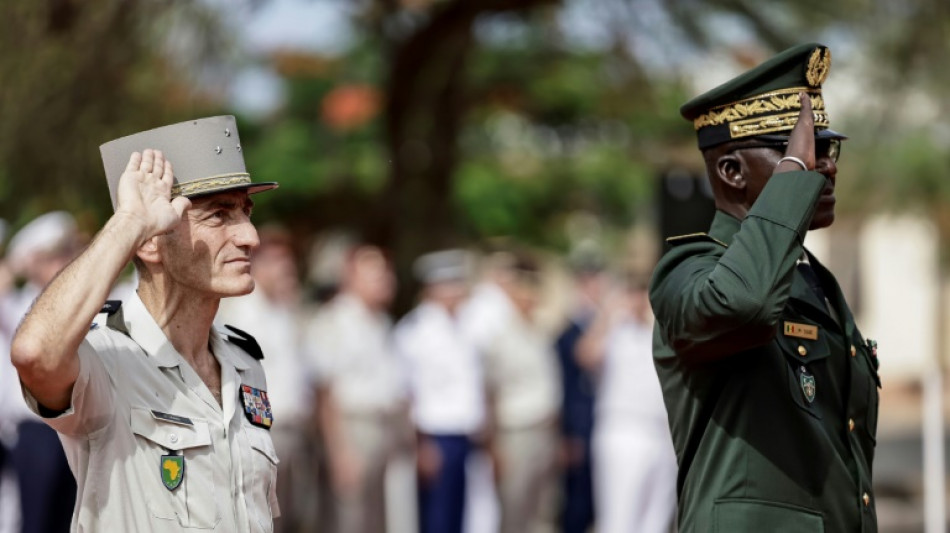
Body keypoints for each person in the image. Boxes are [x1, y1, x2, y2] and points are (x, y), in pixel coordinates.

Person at [9, 116, 282, 532]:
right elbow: (34, 353)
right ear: (152, 242)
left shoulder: (244, 361)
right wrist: (129, 223)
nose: (250, 236)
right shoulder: (107, 358)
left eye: (245, 212)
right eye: (219, 216)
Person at [650, 43, 881, 531]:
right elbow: (746, 304)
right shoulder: (687, 270)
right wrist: (793, 177)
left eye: (827, 148)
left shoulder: (815, 278)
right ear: (731, 172)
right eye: (799, 149)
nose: (827, 165)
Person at [217, 224, 321, 532]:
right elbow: (241, 378)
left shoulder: (287, 311)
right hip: (265, 431)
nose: (287, 271)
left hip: (296, 430)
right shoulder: (240, 312)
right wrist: (258, 430)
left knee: (294, 516)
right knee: (265, 518)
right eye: (279, 264)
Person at [305, 244, 411, 533]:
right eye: (375, 274)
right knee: (349, 520)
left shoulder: (381, 321)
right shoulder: (333, 321)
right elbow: (324, 393)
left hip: (384, 427)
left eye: (385, 273)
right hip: (353, 429)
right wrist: (340, 453)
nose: (386, 280)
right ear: (351, 277)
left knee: (377, 520)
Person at [0, 212, 83, 533]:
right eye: (53, 256)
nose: (64, 262)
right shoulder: (15, 305)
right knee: (36, 522)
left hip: (75, 430)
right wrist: (16, 266)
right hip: (37, 431)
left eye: (67, 252)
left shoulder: (81, 305)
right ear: (33, 262)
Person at [393, 249, 487, 533]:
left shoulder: (464, 325)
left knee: (461, 517)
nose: (459, 290)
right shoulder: (415, 329)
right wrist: (421, 444)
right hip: (435, 437)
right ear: (434, 287)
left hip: (465, 435)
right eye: (451, 283)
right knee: (437, 519)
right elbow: (407, 392)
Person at [577, 276, 676, 533]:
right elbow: (585, 354)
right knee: (620, 518)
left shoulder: (657, 333)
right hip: (624, 429)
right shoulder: (614, 331)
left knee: (654, 521)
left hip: (661, 433)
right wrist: (610, 312)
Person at [479, 251, 561, 533]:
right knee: (514, 511)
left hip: (544, 429)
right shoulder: (500, 336)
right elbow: (489, 392)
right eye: (525, 290)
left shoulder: (539, 332)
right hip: (515, 433)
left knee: (542, 511)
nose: (532, 297)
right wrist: (493, 447)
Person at [552, 247, 606, 533]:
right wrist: (567, 435)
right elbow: (564, 388)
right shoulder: (567, 333)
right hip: (579, 430)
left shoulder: (604, 326)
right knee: (576, 506)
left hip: (602, 426)